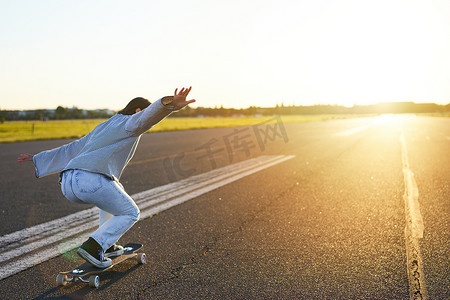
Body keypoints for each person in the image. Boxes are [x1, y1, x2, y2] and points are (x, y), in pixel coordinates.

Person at [18, 87, 196, 268]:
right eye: (144, 113)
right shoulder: (130, 123)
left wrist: (38, 158)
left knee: (113, 195)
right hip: (90, 179)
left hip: (68, 182)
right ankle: (94, 246)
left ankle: (108, 246)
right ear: (137, 111)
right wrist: (171, 104)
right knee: (131, 212)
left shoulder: (104, 126)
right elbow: (146, 117)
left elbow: (73, 148)